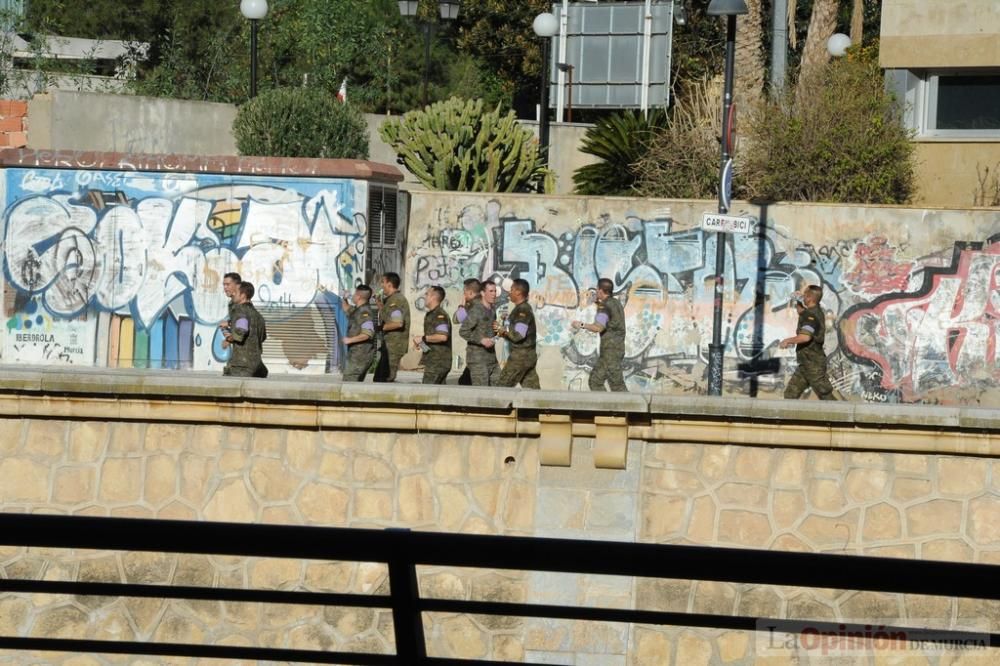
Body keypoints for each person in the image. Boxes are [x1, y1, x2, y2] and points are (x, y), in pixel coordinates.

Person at [779, 284, 836, 400]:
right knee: (790, 394)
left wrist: (787, 341)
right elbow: (801, 311)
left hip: (813, 364)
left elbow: (805, 337)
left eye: (805, 294)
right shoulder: (811, 311)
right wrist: (798, 301)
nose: (803, 296)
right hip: (805, 364)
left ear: (810, 298)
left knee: (825, 395)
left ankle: (844, 415)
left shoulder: (811, 316)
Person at [572, 277, 627, 392]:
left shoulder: (604, 307)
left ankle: (630, 408)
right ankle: (609, 407)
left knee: (617, 386)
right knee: (596, 381)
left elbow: (598, 327)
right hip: (616, 350)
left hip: (610, 353)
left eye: (597, 290)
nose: (596, 292)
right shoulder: (616, 303)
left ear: (601, 290)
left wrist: (581, 324)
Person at [494, 279, 540, 389]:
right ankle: (536, 406)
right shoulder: (520, 309)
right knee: (531, 389)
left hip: (520, 358)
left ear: (518, 292)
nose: (509, 292)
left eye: (512, 289)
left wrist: (502, 330)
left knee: (502, 387)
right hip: (527, 356)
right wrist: (503, 332)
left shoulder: (522, 311)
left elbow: (518, 335)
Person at [223, 282, 268, 378]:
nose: (233, 294)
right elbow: (263, 337)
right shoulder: (258, 316)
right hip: (258, 368)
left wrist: (228, 339)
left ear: (243, 295)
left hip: (241, 368)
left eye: (236, 292)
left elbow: (240, 334)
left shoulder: (240, 312)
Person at [460, 280, 500, 386]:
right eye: (491, 291)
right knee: (482, 394)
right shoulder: (476, 310)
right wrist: (481, 340)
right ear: (482, 293)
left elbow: (492, 331)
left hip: (492, 358)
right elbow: (463, 331)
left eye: (495, 291)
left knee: (499, 389)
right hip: (478, 360)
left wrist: (499, 331)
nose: (494, 294)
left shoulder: (492, 310)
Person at [374, 272, 410, 383]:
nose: (381, 285)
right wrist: (380, 305)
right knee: (379, 377)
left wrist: (381, 328)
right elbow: (388, 316)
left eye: (383, 282)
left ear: (389, 284)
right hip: (389, 345)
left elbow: (398, 323)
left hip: (393, 346)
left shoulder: (396, 300)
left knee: (385, 378)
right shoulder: (390, 300)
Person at [413, 285, 452, 384]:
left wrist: (422, 338)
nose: (424, 296)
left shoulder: (440, 315)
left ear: (433, 297)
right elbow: (432, 339)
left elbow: (443, 337)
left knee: (426, 394)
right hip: (434, 361)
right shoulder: (431, 314)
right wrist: (421, 343)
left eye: (427, 294)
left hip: (438, 363)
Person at [341, 285, 377, 382]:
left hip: (360, 356)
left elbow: (367, 334)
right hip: (356, 355)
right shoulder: (358, 310)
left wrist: (349, 340)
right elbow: (346, 308)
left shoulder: (365, 313)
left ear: (358, 297)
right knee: (352, 384)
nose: (352, 296)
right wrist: (344, 298)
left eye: (354, 294)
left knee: (349, 383)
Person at [453, 278, 481, 386]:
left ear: (470, 292)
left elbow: (456, 319)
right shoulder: (486, 303)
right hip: (481, 354)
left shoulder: (471, 305)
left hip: (476, 354)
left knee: (465, 382)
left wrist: (462, 305)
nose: (463, 294)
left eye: (464, 292)